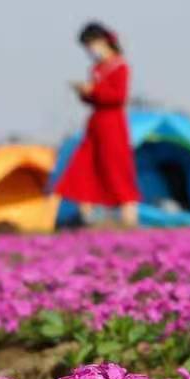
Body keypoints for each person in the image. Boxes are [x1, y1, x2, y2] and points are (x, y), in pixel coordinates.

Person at [55, 21, 140, 227]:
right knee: (84, 169)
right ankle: (86, 219)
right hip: (95, 125)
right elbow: (94, 99)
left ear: (102, 41)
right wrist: (84, 93)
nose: (90, 51)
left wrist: (93, 91)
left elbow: (118, 97)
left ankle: (130, 220)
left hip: (113, 125)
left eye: (91, 45)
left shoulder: (120, 66)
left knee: (117, 171)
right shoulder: (96, 68)